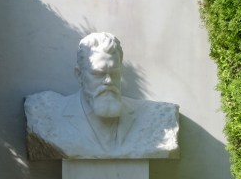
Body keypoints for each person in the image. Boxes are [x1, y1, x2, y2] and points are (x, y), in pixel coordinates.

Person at [25, 32, 179, 160]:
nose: (108, 81)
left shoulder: (151, 117)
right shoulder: (51, 116)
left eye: (114, 73)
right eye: (98, 74)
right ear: (79, 75)